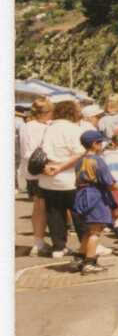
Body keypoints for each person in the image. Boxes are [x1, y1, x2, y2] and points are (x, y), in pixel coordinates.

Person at [38, 98, 88, 258]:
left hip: (48, 178)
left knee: (54, 213)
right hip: (69, 178)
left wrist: (51, 167)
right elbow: (79, 153)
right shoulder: (74, 129)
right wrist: (59, 167)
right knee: (78, 213)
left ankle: (58, 247)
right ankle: (86, 246)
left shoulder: (47, 128)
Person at [72, 130, 118, 275]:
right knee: (95, 231)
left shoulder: (80, 160)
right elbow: (109, 181)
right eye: (100, 143)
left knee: (88, 231)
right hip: (95, 195)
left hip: (82, 194)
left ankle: (80, 258)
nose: (102, 145)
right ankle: (90, 262)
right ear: (95, 144)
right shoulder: (97, 160)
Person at [17, 98, 53, 255]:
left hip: (28, 170)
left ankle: (38, 241)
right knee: (43, 207)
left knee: (37, 207)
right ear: (44, 113)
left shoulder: (26, 126)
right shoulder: (43, 128)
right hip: (40, 170)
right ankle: (39, 243)